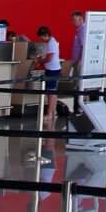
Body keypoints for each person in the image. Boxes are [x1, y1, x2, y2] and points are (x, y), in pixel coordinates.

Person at [34, 24, 61, 153]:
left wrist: (40, 61)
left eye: (41, 37)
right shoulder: (52, 41)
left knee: (50, 92)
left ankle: (49, 114)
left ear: (45, 35)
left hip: (52, 70)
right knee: (53, 92)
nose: (41, 40)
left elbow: (50, 57)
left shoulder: (51, 43)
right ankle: (52, 112)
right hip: (54, 69)